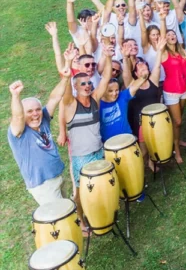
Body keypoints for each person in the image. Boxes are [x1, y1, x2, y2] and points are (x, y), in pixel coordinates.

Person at [61, 45, 113, 233]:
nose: (87, 86)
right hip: (80, 157)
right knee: (80, 193)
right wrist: (67, 66)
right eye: (82, 84)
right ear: (75, 87)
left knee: (100, 187)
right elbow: (65, 91)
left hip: (98, 151)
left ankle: (101, 214)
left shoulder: (95, 99)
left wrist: (107, 57)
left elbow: (106, 78)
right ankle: (81, 221)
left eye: (89, 83)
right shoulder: (70, 104)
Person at [8, 74, 69, 205]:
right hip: (43, 184)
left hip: (57, 176)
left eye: (37, 110)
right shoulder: (18, 132)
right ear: (22, 114)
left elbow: (55, 98)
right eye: (29, 111)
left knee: (67, 212)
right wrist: (15, 95)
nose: (35, 114)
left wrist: (65, 78)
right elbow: (17, 117)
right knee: (60, 218)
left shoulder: (44, 120)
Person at [158, 17, 186, 162]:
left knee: (178, 120)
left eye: (173, 34)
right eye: (168, 36)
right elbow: (162, 35)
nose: (171, 36)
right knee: (178, 121)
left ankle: (177, 140)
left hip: (183, 89)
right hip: (171, 91)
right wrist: (162, 20)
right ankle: (176, 150)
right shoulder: (164, 53)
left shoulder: (182, 51)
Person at [124, 51, 163, 172]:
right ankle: (144, 163)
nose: (141, 65)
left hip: (157, 117)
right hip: (141, 120)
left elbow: (157, 65)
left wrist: (160, 50)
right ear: (135, 73)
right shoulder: (132, 85)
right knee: (144, 147)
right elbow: (125, 74)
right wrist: (125, 58)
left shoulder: (153, 80)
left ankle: (153, 161)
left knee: (157, 140)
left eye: (143, 65)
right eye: (138, 66)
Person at [98, 66, 149, 142]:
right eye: (110, 91)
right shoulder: (97, 104)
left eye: (116, 90)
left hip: (127, 140)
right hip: (109, 145)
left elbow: (134, 86)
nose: (114, 93)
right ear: (103, 91)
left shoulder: (122, 96)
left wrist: (144, 76)